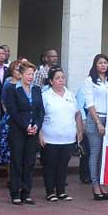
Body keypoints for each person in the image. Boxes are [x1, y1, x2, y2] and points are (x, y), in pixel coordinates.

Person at [4, 60, 44, 205]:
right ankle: (15, 192)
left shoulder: (37, 89)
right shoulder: (12, 89)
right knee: (16, 162)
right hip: (18, 131)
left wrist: (36, 126)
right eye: (28, 74)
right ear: (20, 74)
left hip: (33, 131)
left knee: (29, 162)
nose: (30, 77)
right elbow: (13, 111)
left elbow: (40, 110)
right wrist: (25, 126)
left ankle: (26, 192)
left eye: (32, 74)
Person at [40, 68, 82, 202]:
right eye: (57, 78)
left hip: (68, 137)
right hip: (50, 137)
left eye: (62, 78)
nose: (61, 80)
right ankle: (50, 191)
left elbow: (77, 114)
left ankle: (61, 191)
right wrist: (40, 135)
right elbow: (39, 116)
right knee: (50, 165)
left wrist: (79, 131)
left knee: (63, 166)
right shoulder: (45, 96)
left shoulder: (70, 95)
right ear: (51, 81)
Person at [79, 54, 108, 200]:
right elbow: (89, 104)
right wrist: (98, 122)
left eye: (105, 63)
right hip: (95, 119)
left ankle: (102, 182)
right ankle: (95, 185)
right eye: (100, 63)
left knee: (104, 154)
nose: (103, 65)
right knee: (95, 153)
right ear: (95, 65)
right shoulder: (90, 81)